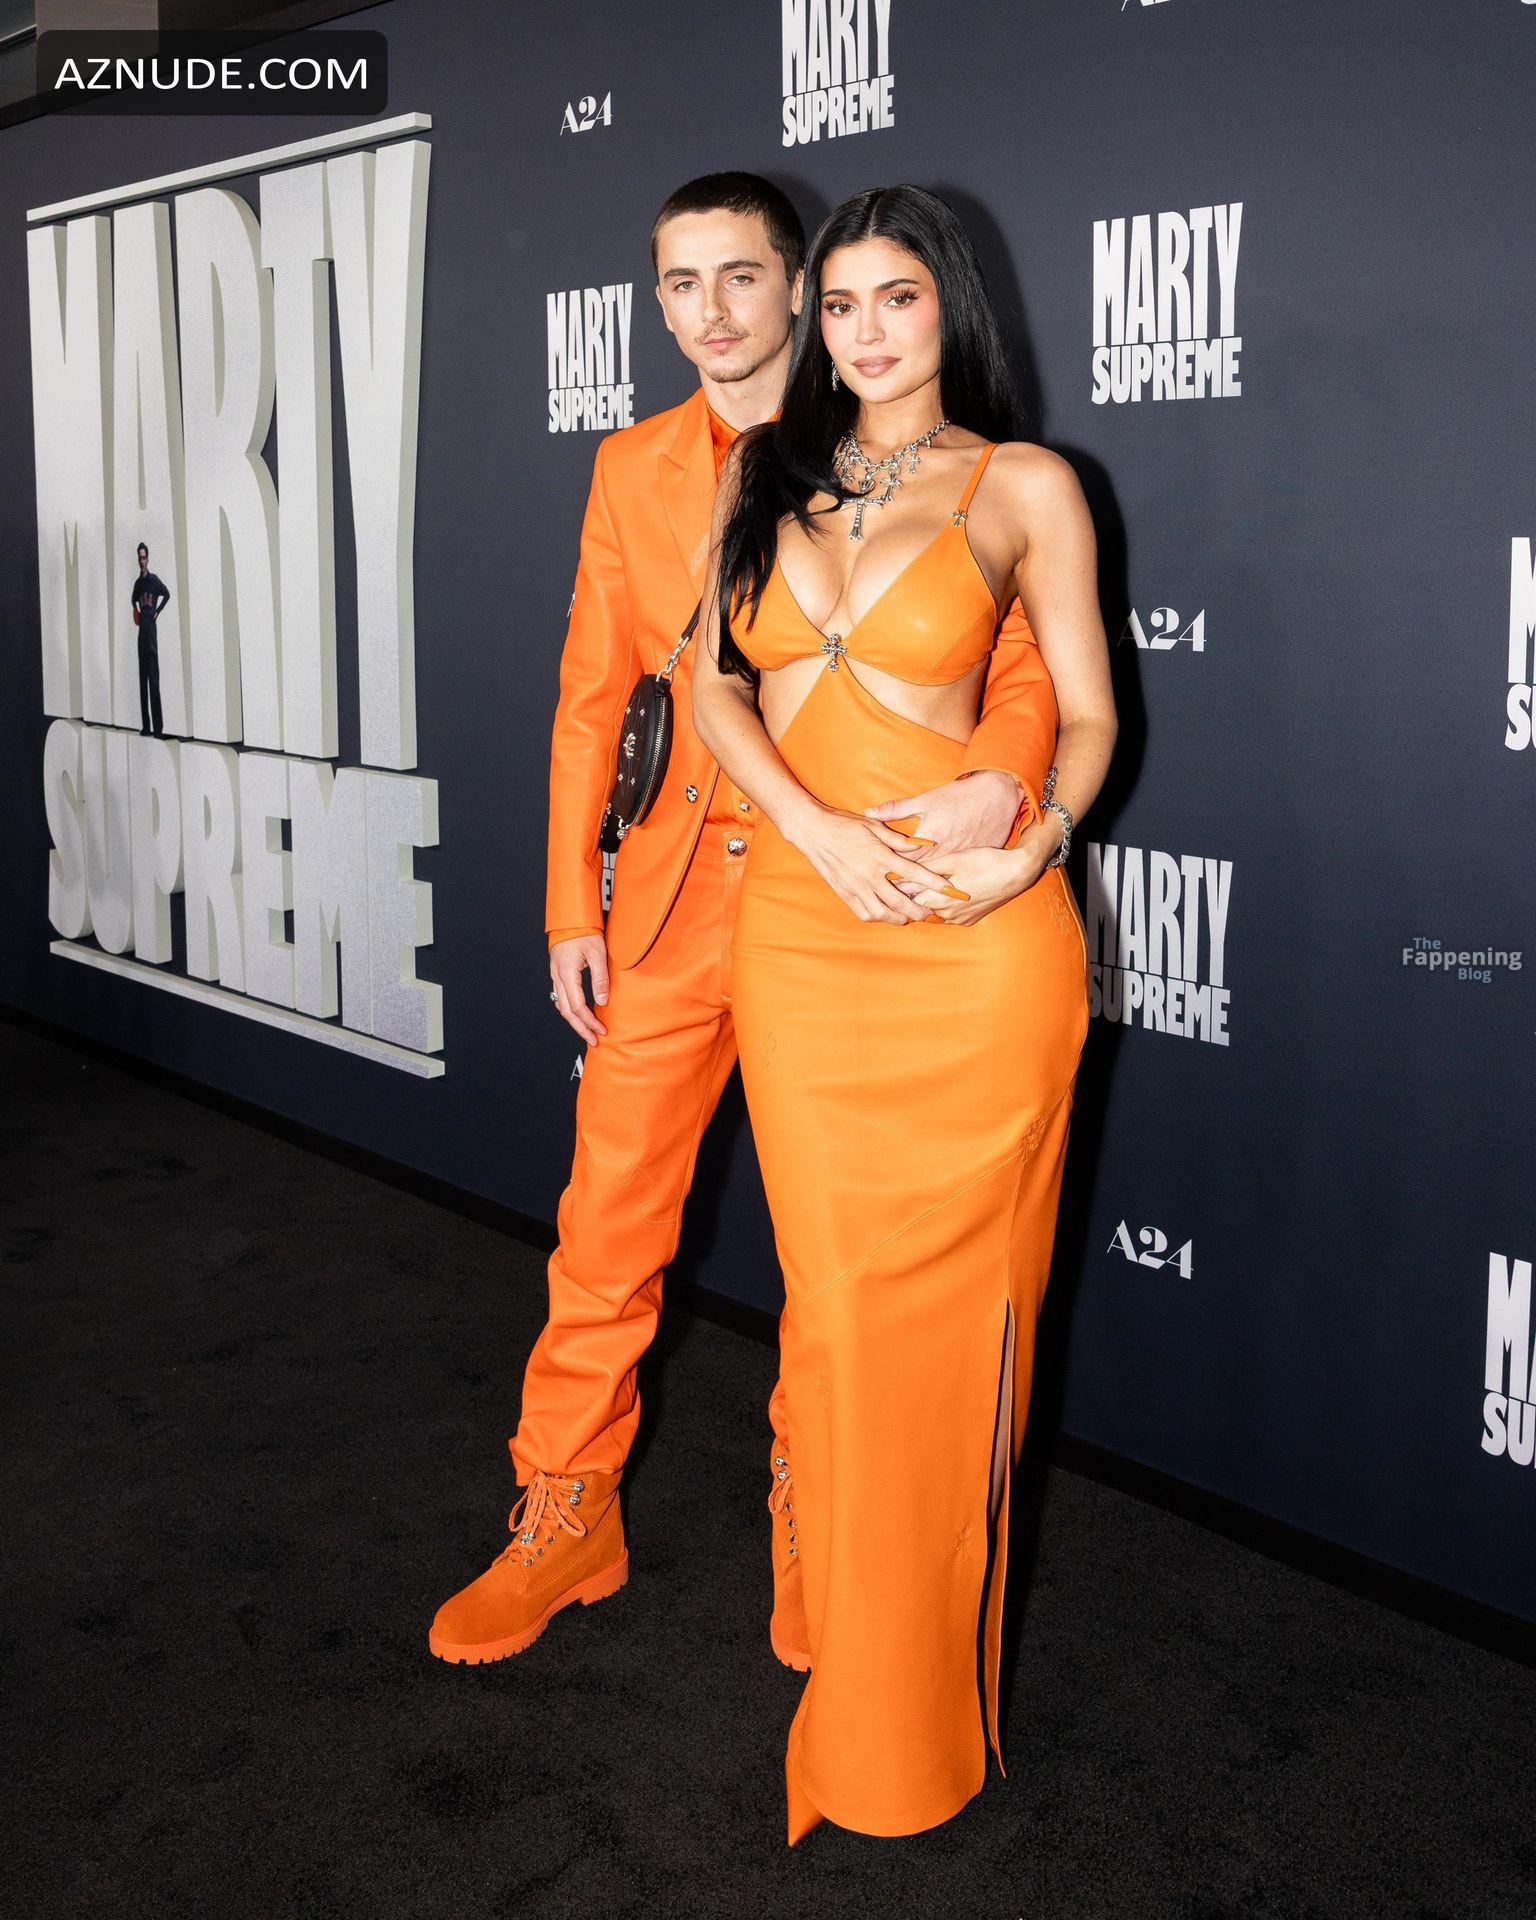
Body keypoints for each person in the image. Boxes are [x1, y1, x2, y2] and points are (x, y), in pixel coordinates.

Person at [428, 173, 1063, 1676]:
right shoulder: (631, 464)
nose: (708, 313)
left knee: (832, 1266)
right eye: (677, 283)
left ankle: (815, 1515)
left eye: (739, 278)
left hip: (847, 905)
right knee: (605, 1233)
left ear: (800, 289)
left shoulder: (906, 453)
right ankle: (565, 1511)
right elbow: (594, 689)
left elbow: (1025, 659)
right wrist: (568, 901)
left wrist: (1002, 783)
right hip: (663, 911)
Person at [691, 184, 1117, 1843]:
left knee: (943, 1345)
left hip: (974, 948)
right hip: (806, 938)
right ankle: (832, 1615)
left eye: (899, 299)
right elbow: (712, 688)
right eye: (843, 304)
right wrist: (810, 835)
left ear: (954, 310)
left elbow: (1088, 715)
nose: (865, 333)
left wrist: (1036, 845)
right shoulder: (760, 469)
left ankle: (896, 1724)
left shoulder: (1024, 486)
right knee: (839, 1317)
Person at [131, 543, 169, 738]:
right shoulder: (138, 584)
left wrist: (157, 612)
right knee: (142, 680)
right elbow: (133, 600)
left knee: (154, 681)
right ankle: (146, 726)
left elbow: (167, 594)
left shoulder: (153, 580)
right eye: (140, 558)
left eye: (144, 557)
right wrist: (137, 612)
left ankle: (158, 728)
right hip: (141, 635)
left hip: (151, 634)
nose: (142, 561)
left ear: (148, 558)